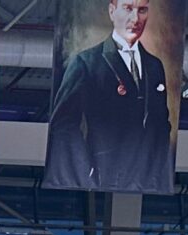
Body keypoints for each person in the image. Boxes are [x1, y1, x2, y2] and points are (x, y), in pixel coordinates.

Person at [43, 0, 174, 194]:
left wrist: (160, 170)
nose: (135, 19)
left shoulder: (154, 65)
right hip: (103, 169)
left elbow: (161, 123)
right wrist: (86, 171)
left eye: (142, 10)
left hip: (146, 173)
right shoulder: (86, 62)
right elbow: (63, 123)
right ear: (112, 11)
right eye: (128, 9)